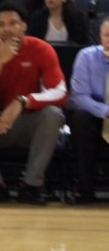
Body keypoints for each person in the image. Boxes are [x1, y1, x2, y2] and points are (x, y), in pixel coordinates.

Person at [0, 3, 67, 204]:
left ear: (24, 26)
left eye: (13, 23)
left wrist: (24, 101)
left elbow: (60, 92)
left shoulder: (41, 49)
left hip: (30, 125)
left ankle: (31, 186)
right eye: (1, 24)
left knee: (53, 114)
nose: (7, 29)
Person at [68, 16, 109, 203]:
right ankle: (85, 189)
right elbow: (78, 96)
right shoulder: (86, 56)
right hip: (96, 114)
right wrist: (105, 111)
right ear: (100, 37)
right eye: (107, 35)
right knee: (80, 118)